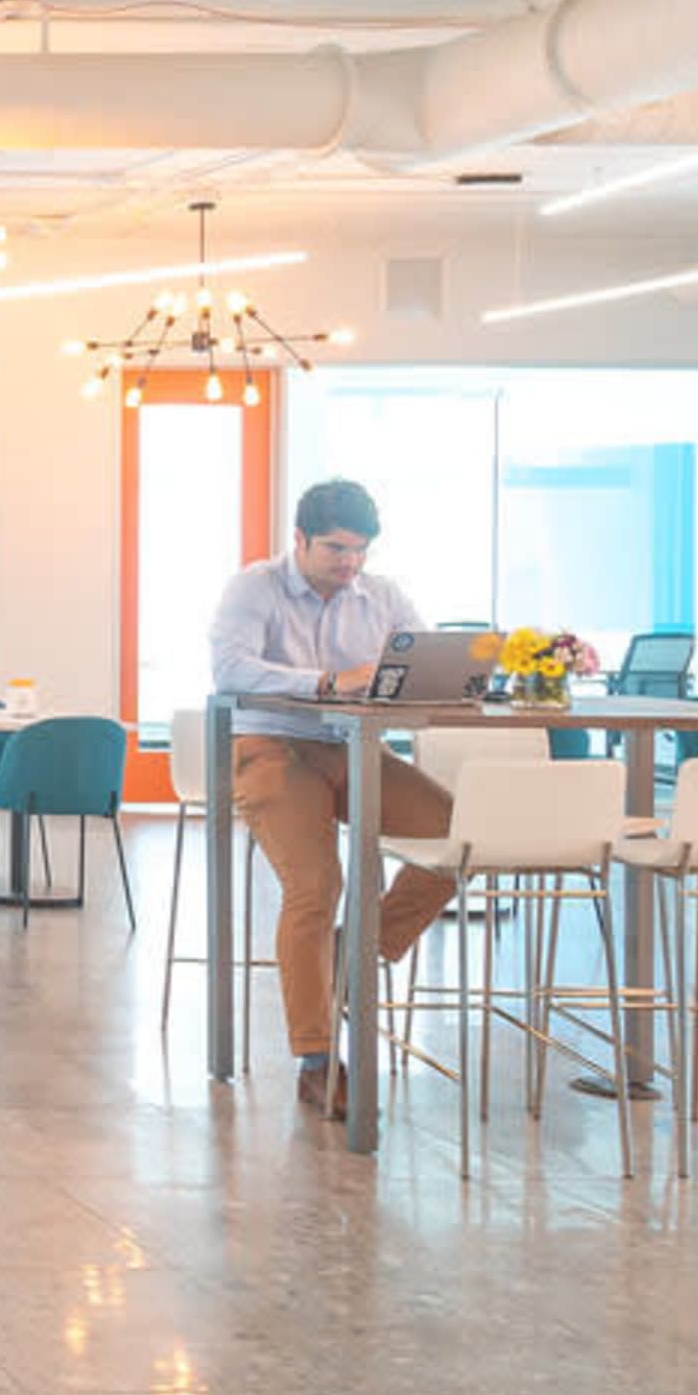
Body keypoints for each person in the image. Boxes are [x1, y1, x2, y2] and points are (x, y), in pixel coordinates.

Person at [206, 479, 457, 1118]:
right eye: (336, 549)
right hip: (272, 748)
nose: (350, 564)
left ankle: (356, 955)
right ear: (300, 540)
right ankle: (317, 1060)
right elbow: (230, 670)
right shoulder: (254, 587)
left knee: (458, 838)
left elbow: (422, 660)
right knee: (316, 886)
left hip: (355, 751)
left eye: (360, 551)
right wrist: (322, 681)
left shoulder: (383, 595)